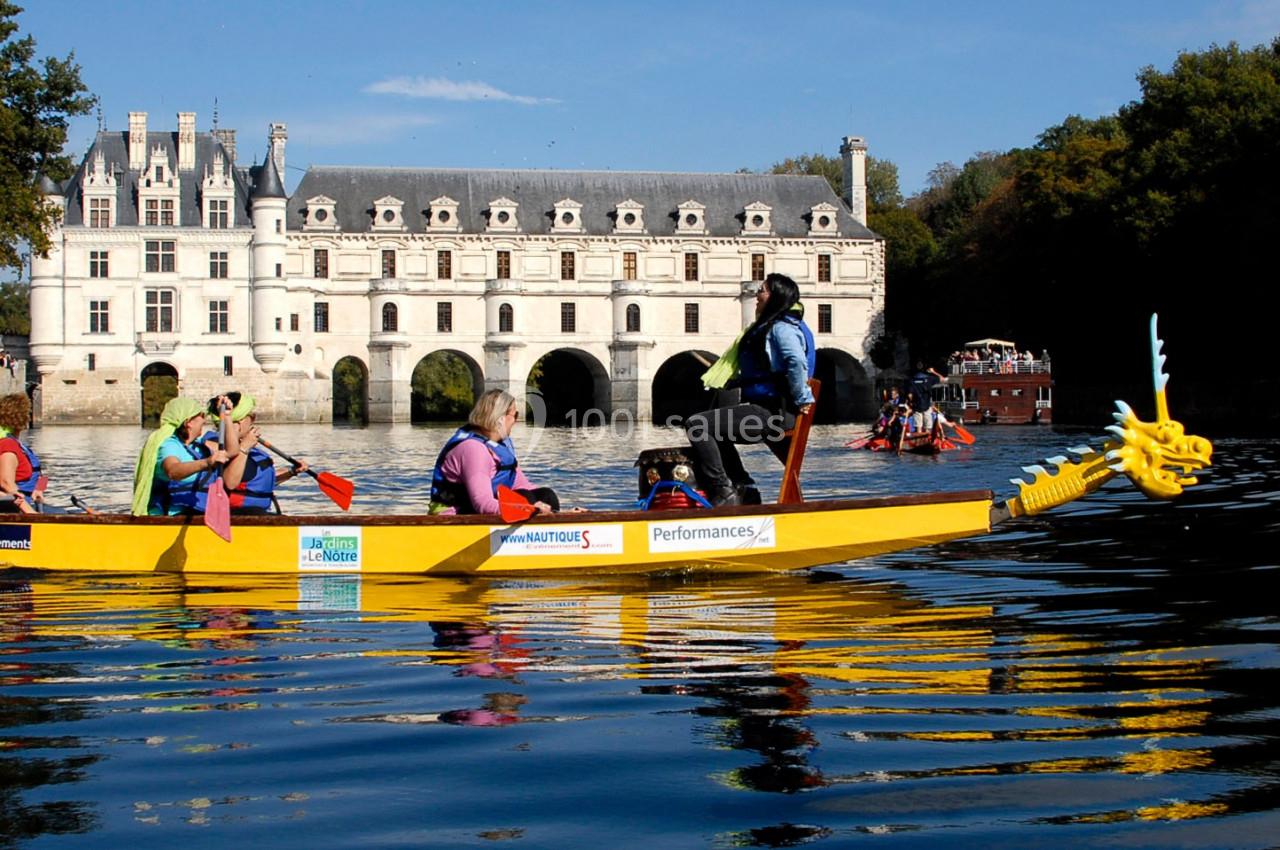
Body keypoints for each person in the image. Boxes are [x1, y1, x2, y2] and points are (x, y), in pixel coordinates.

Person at [686, 273, 815, 507]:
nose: (757, 294)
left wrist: (803, 397)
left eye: (763, 290)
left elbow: (796, 361)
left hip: (774, 414)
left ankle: (724, 489)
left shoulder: (781, 328)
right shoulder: (777, 325)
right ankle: (742, 487)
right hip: (769, 410)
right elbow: (768, 371)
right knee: (712, 427)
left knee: (697, 425)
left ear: (776, 297)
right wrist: (734, 382)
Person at [430, 389, 561, 516]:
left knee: (546, 495)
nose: (515, 421)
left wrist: (554, 512)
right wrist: (527, 509)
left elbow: (523, 485)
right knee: (525, 498)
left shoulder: (500, 447)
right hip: (455, 516)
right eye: (515, 415)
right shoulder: (473, 449)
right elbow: (482, 503)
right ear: (500, 418)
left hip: (478, 510)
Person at [201, 392, 308, 515]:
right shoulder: (215, 446)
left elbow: (255, 483)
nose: (253, 421)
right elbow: (230, 483)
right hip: (236, 515)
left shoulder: (248, 445)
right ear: (240, 421)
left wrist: (292, 472)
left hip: (259, 514)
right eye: (251, 416)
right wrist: (244, 448)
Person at [131, 396, 230, 516]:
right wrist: (207, 462)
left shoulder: (198, 445)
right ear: (188, 422)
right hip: (169, 516)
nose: (204, 420)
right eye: (201, 416)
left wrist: (227, 416)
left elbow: (233, 451)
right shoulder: (169, 445)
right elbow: (173, 471)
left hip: (198, 513)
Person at [0, 393, 39, 514]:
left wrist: (39, 489)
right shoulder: (8, 445)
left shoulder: (22, 447)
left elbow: (38, 472)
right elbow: (6, 483)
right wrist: (32, 514)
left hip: (31, 501)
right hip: (18, 511)